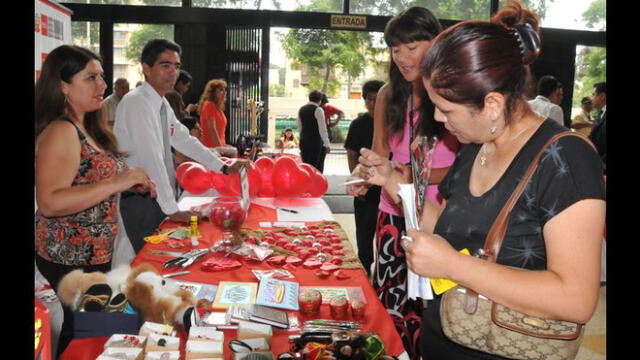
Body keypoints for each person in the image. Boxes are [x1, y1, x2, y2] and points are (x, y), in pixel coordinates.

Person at [357, 2, 605, 358]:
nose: (440, 120)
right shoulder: (476, 147)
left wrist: (453, 265)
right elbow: (448, 227)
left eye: (446, 109)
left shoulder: (566, 159)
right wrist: (393, 182)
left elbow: (576, 298)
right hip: (445, 338)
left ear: (491, 104)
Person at [347, 7, 460, 360]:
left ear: (436, 43)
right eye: (396, 50)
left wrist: (407, 175)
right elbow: (381, 153)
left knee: (435, 305)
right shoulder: (387, 95)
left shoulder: (452, 94)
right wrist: (365, 176)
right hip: (392, 213)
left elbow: (463, 170)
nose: (404, 58)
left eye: (413, 47)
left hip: (437, 216)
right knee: (392, 299)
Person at [34, 45, 155, 355]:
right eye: (90, 78)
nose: (102, 85)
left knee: (99, 332)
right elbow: (49, 201)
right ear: (62, 85)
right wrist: (118, 181)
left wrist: (129, 185)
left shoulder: (86, 127)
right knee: (83, 336)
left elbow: (88, 182)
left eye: (101, 76)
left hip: (94, 254)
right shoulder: (61, 130)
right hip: (68, 257)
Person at [114, 39, 248, 253]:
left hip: (160, 196)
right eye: (165, 65)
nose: (173, 72)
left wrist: (222, 166)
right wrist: (172, 209)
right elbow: (151, 158)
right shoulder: (137, 102)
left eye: (176, 66)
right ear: (146, 68)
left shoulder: (161, 102)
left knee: (162, 257)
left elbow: (183, 139)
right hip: (142, 199)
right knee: (150, 260)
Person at [344, 80, 384, 277]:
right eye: (370, 99)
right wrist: (356, 180)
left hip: (387, 189)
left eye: (378, 100)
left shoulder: (391, 124)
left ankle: (381, 275)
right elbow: (351, 153)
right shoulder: (359, 124)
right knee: (364, 233)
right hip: (364, 189)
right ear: (365, 100)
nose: (374, 104)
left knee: (386, 237)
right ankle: (365, 269)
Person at [297, 90, 331, 172]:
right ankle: (314, 183)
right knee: (314, 167)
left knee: (305, 166)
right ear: (320, 100)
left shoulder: (301, 109)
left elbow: (299, 127)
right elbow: (322, 129)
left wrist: (302, 137)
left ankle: (305, 183)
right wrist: (327, 144)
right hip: (315, 142)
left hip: (303, 140)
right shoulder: (318, 110)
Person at [198, 78, 229, 148]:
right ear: (213, 92)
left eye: (225, 90)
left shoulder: (218, 108)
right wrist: (220, 148)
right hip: (211, 148)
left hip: (218, 147)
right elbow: (212, 128)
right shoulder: (209, 105)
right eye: (221, 90)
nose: (224, 92)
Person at [589, 82, 606, 174]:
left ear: (602, 96)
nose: (591, 98)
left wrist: (603, 162)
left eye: (593, 95)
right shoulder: (600, 113)